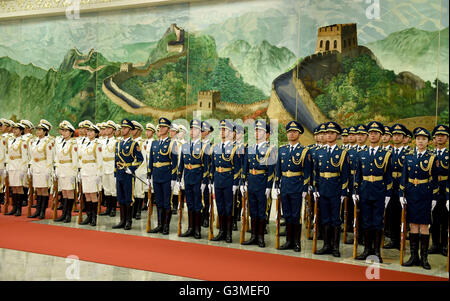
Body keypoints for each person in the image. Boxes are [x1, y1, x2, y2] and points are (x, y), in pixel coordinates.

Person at [400, 127, 439, 270]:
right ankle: (413, 256)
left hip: (425, 194)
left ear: (428, 142)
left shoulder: (432, 158)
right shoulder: (409, 156)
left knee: (424, 225)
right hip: (411, 193)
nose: (420, 141)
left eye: (423, 139)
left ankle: (424, 258)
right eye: (418, 139)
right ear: (415, 141)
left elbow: (435, 180)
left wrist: (434, 197)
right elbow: (404, 176)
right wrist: (401, 194)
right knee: (413, 225)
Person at [353, 121, 393, 263]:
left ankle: (376, 251)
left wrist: (388, 194)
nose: (373, 135)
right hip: (364, 190)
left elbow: (389, 176)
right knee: (365, 221)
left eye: (376, 133)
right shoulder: (361, 153)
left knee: (377, 222)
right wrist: (355, 190)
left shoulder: (386, 154)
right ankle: (366, 250)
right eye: (370, 133)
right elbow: (357, 174)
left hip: (379, 191)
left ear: (381, 135)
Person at [313, 121, 350, 257]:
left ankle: (335, 247)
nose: (328, 135)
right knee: (325, 218)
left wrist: (343, 192)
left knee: (335, 219)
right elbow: (316, 172)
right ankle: (326, 245)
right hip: (322, 188)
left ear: (337, 135)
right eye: (327, 133)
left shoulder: (342, 153)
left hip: (335, 189)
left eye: (332, 133)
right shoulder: (320, 152)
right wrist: (315, 187)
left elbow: (345, 175)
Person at [274, 120, 311, 251]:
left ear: (299, 134)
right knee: (287, 214)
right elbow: (278, 168)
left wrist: (305, 188)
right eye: (289, 132)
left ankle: (296, 242)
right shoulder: (282, 149)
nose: (291, 134)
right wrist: (277, 184)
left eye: (294, 132)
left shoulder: (304, 151)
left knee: (296, 215)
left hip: (297, 185)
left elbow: (307, 171)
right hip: (285, 185)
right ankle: (288, 240)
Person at [241, 120, 276, 248]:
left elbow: (271, 169)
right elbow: (245, 166)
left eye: (260, 130)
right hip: (251, 181)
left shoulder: (271, 149)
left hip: (262, 182)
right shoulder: (250, 147)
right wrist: (243, 181)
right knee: (253, 210)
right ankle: (253, 236)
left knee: (261, 211)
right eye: (255, 130)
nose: (256, 133)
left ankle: (260, 237)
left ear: (267, 134)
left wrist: (268, 186)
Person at [177, 119, 210, 239]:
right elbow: (181, 163)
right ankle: (190, 228)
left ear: (200, 132)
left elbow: (206, 167)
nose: (192, 131)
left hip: (198, 179)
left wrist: (204, 181)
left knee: (197, 204)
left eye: (195, 129)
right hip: (187, 177)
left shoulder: (204, 146)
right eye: (191, 129)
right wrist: (179, 178)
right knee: (189, 203)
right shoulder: (185, 145)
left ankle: (197, 229)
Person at [210, 120, 241, 243]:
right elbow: (213, 165)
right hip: (218, 179)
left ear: (231, 133)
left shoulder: (235, 148)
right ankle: (221, 232)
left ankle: (228, 233)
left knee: (229, 208)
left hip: (228, 180)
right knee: (220, 207)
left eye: (225, 130)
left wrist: (235, 183)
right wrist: (211, 180)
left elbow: (238, 168)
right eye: (221, 130)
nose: (222, 132)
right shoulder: (216, 147)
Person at [147, 117, 178, 235]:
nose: (161, 128)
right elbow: (151, 160)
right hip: (156, 175)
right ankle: (159, 225)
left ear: (168, 129)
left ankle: (166, 226)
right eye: (160, 126)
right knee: (158, 201)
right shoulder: (155, 143)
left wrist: (173, 178)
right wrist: (149, 175)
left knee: (166, 202)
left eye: (164, 127)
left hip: (166, 177)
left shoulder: (172, 143)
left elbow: (175, 162)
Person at [113, 119, 143, 230]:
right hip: (120, 173)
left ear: (130, 130)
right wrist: (115, 172)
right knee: (120, 197)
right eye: (122, 128)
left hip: (128, 174)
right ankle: (122, 220)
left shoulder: (134, 144)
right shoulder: (118, 143)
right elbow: (116, 159)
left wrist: (131, 168)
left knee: (128, 198)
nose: (122, 130)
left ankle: (128, 221)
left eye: (125, 128)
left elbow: (140, 159)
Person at [383, 123, 408, 250]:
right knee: (391, 214)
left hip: (403, 187)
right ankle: (393, 239)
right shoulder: (388, 153)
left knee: (402, 215)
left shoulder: (408, 153)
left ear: (404, 138)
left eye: (399, 135)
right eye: (395, 135)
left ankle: (402, 240)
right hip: (391, 187)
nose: (397, 137)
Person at [429, 124, 449, 256]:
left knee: (445, 218)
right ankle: (435, 243)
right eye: (438, 136)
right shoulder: (430, 154)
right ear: (434, 138)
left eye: (443, 136)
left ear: (447, 138)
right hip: (433, 191)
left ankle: (445, 245)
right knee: (434, 218)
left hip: (445, 189)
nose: (440, 138)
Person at [53, 121, 78, 223]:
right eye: (63, 130)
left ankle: (68, 215)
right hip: (61, 169)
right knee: (64, 192)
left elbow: (75, 159)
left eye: (66, 131)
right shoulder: (61, 143)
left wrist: (74, 173)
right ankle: (64, 214)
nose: (63, 132)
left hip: (69, 170)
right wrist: (56, 170)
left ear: (71, 132)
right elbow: (57, 157)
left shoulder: (73, 143)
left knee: (69, 192)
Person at [78, 123, 103, 226]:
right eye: (88, 131)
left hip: (93, 171)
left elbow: (100, 160)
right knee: (87, 194)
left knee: (93, 195)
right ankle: (88, 216)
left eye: (91, 131)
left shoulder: (98, 145)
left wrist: (98, 174)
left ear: (96, 133)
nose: (89, 133)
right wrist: (79, 170)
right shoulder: (84, 144)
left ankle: (94, 218)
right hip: (85, 170)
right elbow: (81, 158)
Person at [28, 122, 53, 219]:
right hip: (35, 166)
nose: (38, 131)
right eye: (37, 129)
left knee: (44, 189)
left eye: (40, 130)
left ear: (45, 131)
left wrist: (48, 170)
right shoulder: (34, 141)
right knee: (38, 189)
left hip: (43, 167)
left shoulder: (48, 142)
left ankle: (42, 211)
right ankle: (37, 210)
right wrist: (30, 167)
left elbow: (50, 157)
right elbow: (31, 156)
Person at [5, 122, 29, 216]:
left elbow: (24, 157)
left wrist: (23, 169)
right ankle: (14, 207)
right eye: (13, 129)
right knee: (13, 187)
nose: (14, 131)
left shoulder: (23, 142)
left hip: (19, 166)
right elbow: (8, 154)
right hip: (11, 165)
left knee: (19, 187)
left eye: (17, 129)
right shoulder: (10, 140)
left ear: (21, 130)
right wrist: (7, 165)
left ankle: (19, 209)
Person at [99, 120, 118, 217]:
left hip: (112, 167)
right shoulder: (101, 141)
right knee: (106, 188)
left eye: (109, 128)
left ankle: (113, 208)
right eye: (106, 128)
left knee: (113, 189)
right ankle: (108, 208)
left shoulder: (116, 142)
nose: (107, 129)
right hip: (104, 166)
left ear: (114, 131)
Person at [131, 120, 146, 220]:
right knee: (131, 192)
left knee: (139, 192)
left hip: (139, 170)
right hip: (130, 170)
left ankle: (138, 211)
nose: (132, 131)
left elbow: (143, 159)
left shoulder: (141, 143)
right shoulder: (130, 142)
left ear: (139, 131)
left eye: (134, 129)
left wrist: (140, 172)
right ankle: (132, 211)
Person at [200, 121, 214, 228]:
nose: (200, 132)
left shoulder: (212, 146)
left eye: (203, 131)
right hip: (196, 175)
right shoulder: (197, 144)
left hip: (207, 176)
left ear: (208, 132)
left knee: (205, 197)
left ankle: (205, 217)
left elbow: (212, 163)